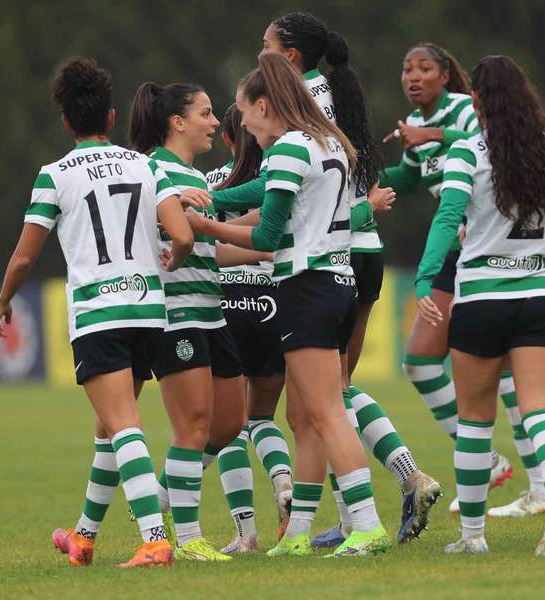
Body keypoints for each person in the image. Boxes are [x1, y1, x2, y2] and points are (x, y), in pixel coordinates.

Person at [0, 58, 194, 568]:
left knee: (123, 424)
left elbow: (24, 255)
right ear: (109, 116)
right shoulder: (147, 165)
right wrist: (173, 257)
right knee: (110, 428)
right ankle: (82, 539)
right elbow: (184, 234)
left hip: (99, 314)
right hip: (149, 310)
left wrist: (3, 300)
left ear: (66, 122)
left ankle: (154, 540)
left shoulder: (54, 176)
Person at [188, 53, 391, 557]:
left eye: (244, 112)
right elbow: (268, 190)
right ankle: (298, 534)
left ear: (264, 104)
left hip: (306, 289)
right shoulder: (329, 143)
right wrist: (215, 199)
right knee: (304, 420)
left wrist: (205, 226)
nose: (242, 124)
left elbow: (267, 233)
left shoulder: (287, 150)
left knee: (325, 414)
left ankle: (367, 526)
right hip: (339, 283)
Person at [414, 55, 545, 556]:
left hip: (482, 299)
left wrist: (425, 277)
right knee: (541, 413)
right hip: (543, 296)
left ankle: (472, 538)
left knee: (476, 421)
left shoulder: (468, 152)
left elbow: (447, 221)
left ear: (476, 101)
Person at [128, 81, 261, 560]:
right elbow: (153, 237)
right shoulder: (149, 171)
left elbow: (205, 250)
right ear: (177, 122)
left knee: (229, 424)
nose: (214, 122)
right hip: (175, 314)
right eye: (205, 114)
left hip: (212, 312)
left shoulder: (197, 178)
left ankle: (162, 495)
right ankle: (187, 540)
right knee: (193, 426)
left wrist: (258, 249)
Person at [379, 43, 513, 512]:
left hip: (493, 245)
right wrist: (355, 173)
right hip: (459, 250)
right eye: (406, 68)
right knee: (418, 361)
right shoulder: (413, 124)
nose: (412, 76)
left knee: (509, 367)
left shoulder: (464, 108)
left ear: (445, 74)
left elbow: (494, 145)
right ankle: (491, 460)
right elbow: (412, 179)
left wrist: (433, 133)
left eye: (424, 68)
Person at [209, 104, 295, 553]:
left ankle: (245, 532)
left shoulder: (208, 185)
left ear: (226, 139)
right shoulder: (283, 179)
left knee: (227, 425)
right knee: (261, 416)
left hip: (225, 306)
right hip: (272, 304)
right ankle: (283, 480)